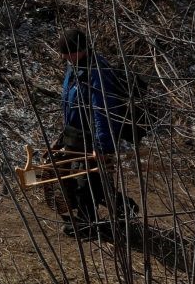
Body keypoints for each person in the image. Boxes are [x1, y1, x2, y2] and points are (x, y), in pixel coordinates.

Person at [53, 27, 139, 239]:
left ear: (80, 50)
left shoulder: (98, 72)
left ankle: (87, 224)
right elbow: (70, 103)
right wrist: (64, 135)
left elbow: (104, 111)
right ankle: (123, 210)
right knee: (83, 180)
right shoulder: (74, 68)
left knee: (86, 181)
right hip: (74, 135)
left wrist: (101, 146)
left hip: (91, 138)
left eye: (67, 52)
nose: (63, 57)